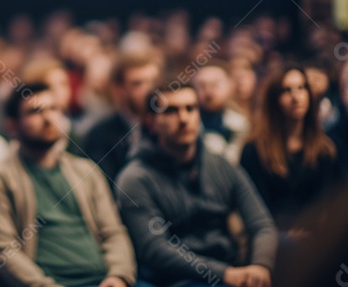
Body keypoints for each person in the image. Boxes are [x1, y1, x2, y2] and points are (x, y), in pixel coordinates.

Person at [0, 82, 137, 287]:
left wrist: (119, 276)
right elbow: (4, 252)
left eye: (54, 109)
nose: (48, 118)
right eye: (35, 112)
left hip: (104, 281)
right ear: (12, 125)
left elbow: (113, 232)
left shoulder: (86, 171)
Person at [117, 82, 277, 287]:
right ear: (151, 122)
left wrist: (261, 266)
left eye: (190, 108)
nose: (184, 119)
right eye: (171, 111)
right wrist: (223, 274)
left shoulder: (220, 164)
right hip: (171, 280)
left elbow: (261, 224)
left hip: (229, 270)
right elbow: (155, 250)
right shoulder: (134, 178)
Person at [238, 67, 339, 232]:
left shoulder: (324, 150)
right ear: (274, 99)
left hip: (316, 238)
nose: (296, 97)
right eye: (287, 90)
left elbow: (328, 205)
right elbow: (252, 209)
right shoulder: (253, 151)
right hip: (269, 235)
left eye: (301, 88)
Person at [78, 52, 161, 182]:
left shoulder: (165, 125)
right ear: (118, 89)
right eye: (138, 84)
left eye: (153, 82)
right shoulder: (101, 135)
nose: (149, 90)